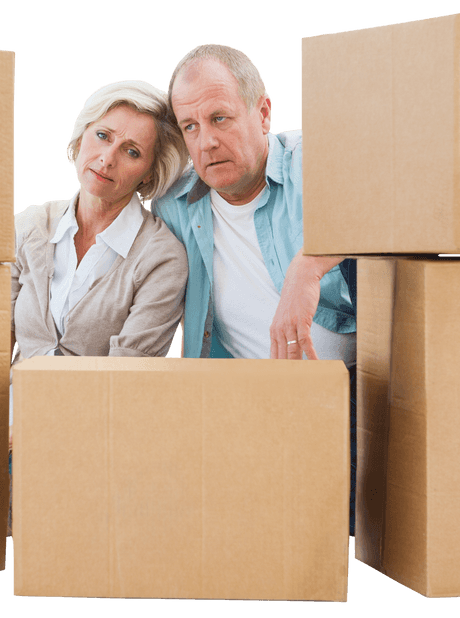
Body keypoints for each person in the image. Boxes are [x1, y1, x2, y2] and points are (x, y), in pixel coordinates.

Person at [151, 44, 357, 533]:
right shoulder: (173, 203)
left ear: (263, 112)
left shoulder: (319, 161)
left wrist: (309, 267)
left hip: (353, 393)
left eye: (220, 118)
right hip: (247, 406)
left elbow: (412, 199)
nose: (206, 142)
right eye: (191, 127)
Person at [8, 80, 190, 535]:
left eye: (132, 151)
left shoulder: (161, 257)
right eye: (103, 136)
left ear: (149, 173)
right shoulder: (30, 227)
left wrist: (34, 430)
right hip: (9, 426)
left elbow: (126, 380)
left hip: (97, 442)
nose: (107, 158)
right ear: (80, 138)